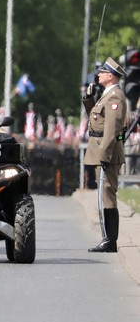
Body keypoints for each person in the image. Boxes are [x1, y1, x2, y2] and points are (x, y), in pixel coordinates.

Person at [82, 57, 128, 253]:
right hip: (100, 149)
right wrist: (89, 99)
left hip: (106, 151)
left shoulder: (115, 96)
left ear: (111, 76)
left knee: (107, 195)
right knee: (103, 195)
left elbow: (111, 129)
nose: (98, 74)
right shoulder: (106, 95)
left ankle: (110, 240)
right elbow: (96, 119)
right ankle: (107, 238)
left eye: (102, 72)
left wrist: (104, 154)